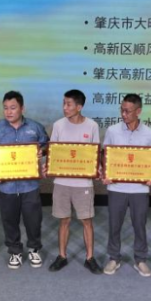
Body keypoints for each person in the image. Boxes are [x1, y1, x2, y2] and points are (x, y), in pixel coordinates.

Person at [0, 91, 49, 269]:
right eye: (5, 108)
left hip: (30, 185)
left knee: (33, 219)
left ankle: (34, 249)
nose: (9, 112)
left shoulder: (35, 127)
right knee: (9, 220)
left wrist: (42, 151)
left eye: (13, 108)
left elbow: (46, 144)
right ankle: (15, 251)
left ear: (22, 108)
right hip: (6, 186)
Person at [101, 93, 151, 277]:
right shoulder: (112, 130)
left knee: (139, 225)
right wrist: (106, 173)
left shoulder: (149, 133)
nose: (124, 114)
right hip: (116, 187)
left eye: (128, 111)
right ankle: (114, 257)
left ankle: (140, 259)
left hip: (139, 189)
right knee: (114, 224)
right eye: (122, 110)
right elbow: (105, 155)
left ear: (138, 111)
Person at [48, 89, 102, 274]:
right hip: (62, 182)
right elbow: (53, 153)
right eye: (63, 103)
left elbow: (95, 154)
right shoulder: (58, 125)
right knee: (64, 220)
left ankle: (90, 258)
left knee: (87, 221)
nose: (65, 107)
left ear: (79, 107)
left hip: (83, 183)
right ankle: (62, 256)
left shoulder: (92, 126)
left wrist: (97, 169)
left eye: (69, 104)